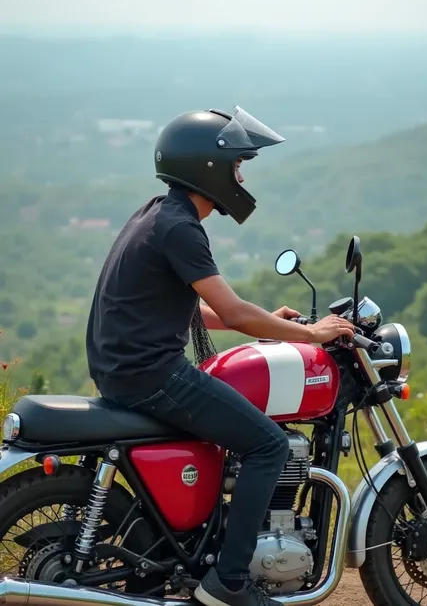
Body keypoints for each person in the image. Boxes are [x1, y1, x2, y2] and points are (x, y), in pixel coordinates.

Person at [86, 106, 354, 606]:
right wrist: (313, 335)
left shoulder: (157, 213)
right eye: (236, 165)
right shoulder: (181, 228)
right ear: (207, 168)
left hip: (125, 370)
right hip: (152, 375)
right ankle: (229, 582)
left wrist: (275, 322)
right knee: (269, 445)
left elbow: (187, 309)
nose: (241, 175)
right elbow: (232, 312)